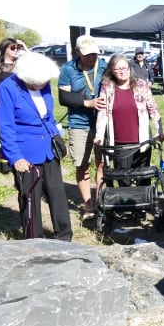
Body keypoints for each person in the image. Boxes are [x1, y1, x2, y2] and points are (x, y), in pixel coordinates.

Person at [0, 52, 73, 241]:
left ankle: (64, 237)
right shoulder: (7, 88)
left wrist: (56, 137)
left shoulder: (44, 84)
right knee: (30, 199)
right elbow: (5, 126)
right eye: (38, 83)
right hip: (25, 152)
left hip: (48, 149)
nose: (42, 86)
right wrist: (15, 157)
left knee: (57, 193)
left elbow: (48, 116)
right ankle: (34, 239)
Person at [93, 54, 164, 186]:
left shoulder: (141, 85)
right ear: (111, 71)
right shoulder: (107, 87)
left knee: (143, 176)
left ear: (130, 68)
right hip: (120, 143)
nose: (122, 71)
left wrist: (159, 130)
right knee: (123, 178)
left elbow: (153, 108)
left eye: (125, 68)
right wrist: (99, 135)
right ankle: (126, 204)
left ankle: (143, 205)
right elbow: (102, 112)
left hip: (141, 141)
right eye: (118, 69)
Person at [58, 34, 107, 221]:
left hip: (102, 123)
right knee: (82, 165)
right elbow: (64, 98)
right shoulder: (68, 69)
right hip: (79, 124)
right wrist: (88, 103)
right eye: (87, 54)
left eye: (94, 54)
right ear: (77, 52)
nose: (91, 58)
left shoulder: (104, 66)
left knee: (102, 164)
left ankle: (101, 201)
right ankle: (88, 204)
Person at [0, 38, 26, 111]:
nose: (16, 50)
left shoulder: (20, 63)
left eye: (18, 48)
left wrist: (24, 46)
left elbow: (34, 63)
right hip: (4, 102)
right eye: (13, 48)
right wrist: (0, 105)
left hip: (20, 102)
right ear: (5, 49)